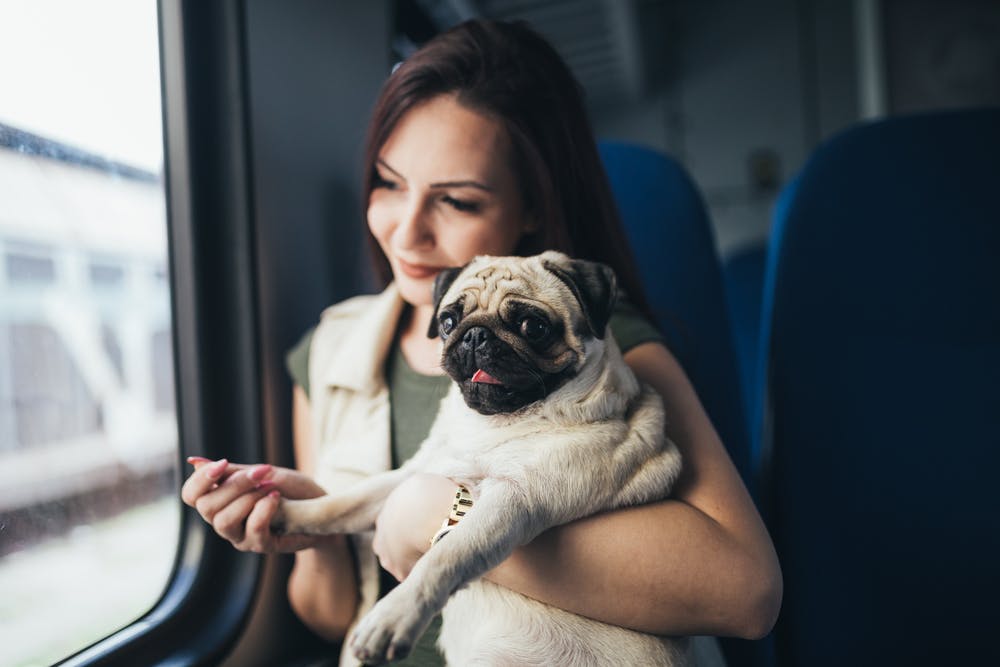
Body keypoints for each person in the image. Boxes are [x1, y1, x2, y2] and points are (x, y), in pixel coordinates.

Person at [181, 19, 782, 667]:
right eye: (388, 183)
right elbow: (331, 617)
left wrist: (439, 513)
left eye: (457, 202)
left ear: (531, 206)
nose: (407, 231)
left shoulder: (605, 344)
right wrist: (314, 523)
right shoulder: (331, 354)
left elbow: (746, 591)